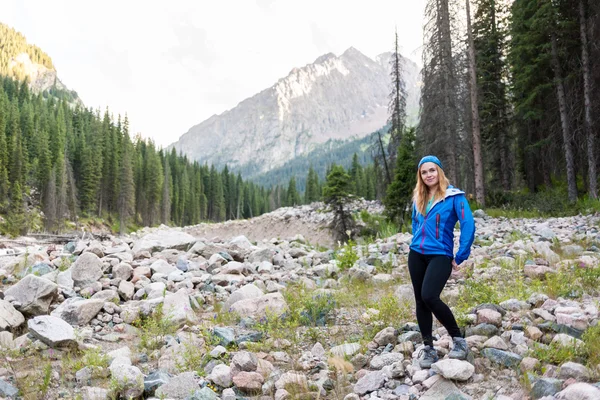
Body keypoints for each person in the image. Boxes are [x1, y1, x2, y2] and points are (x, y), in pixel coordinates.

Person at [408, 155, 475, 368]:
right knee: (420, 300)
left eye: (432, 170)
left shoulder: (455, 197)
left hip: (441, 254)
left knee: (430, 295)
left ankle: (458, 340)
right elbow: (414, 223)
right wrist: (415, 239)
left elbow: (468, 224)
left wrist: (461, 254)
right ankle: (428, 348)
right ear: (421, 175)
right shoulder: (418, 197)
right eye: (424, 172)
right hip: (416, 254)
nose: (428, 175)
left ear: (439, 171)